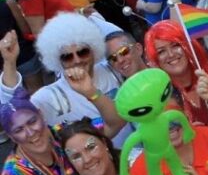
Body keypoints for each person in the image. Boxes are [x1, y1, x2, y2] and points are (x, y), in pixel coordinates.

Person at [0, 13, 129, 146]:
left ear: (93, 49)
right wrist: (9, 62)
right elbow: (12, 109)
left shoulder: (111, 70)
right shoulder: (50, 96)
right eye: (67, 57)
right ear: (57, 60)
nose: (77, 60)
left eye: (82, 52)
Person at [143, 19, 208, 126]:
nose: (170, 54)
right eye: (161, 51)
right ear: (155, 60)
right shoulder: (162, 101)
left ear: (188, 46)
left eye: (175, 45)